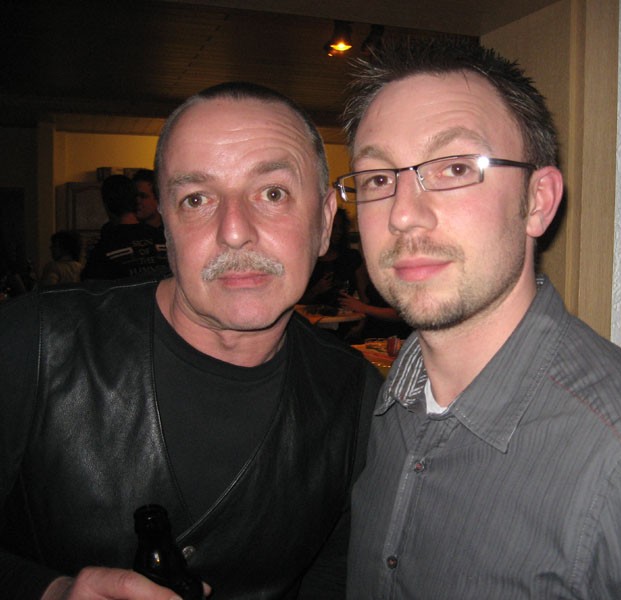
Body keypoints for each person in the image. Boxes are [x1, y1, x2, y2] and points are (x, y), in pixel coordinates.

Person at [337, 40, 621, 598]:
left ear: (538, 201)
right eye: (378, 179)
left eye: (455, 167)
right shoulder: (390, 402)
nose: (403, 214)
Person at [0, 82, 382, 600]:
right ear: (166, 227)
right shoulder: (35, 342)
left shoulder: (355, 394)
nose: (234, 231)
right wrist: (49, 591)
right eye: (196, 199)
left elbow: (335, 570)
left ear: (325, 221)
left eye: (272, 193)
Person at [81, 174, 169, 280]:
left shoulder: (106, 245)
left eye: (143, 196)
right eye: (138, 196)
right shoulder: (162, 238)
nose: (140, 201)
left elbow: (90, 283)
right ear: (134, 200)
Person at [301, 208, 368, 307]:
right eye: (334, 227)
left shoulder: (352, 258)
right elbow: (294, 304)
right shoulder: (307, 260)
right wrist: (316, 290)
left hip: (345, 315)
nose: (338, 232)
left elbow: (365, 299)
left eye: (341, 228)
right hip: (311, 316)